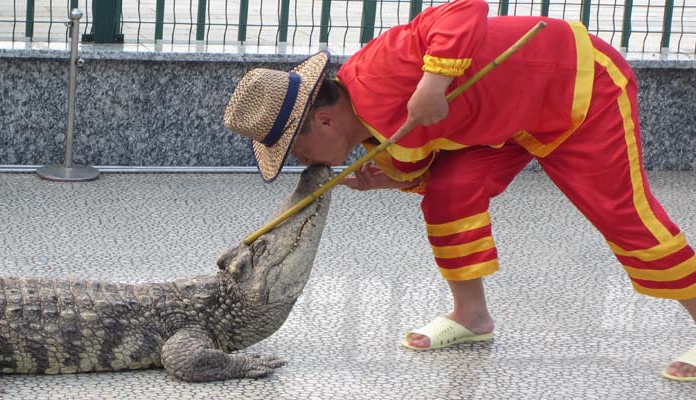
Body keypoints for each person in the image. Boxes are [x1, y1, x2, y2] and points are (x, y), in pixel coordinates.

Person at [222, 0, 696, 381]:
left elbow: (463, 8)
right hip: (511, 124)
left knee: (623, 216)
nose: (301, 162)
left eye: (294, 149)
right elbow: (425, 168)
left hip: (580, 89)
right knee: (449, 192)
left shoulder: (381, 68)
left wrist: (433, 82)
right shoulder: (371, 139)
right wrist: (386, 179)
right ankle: (472, 317)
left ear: (324, 120)